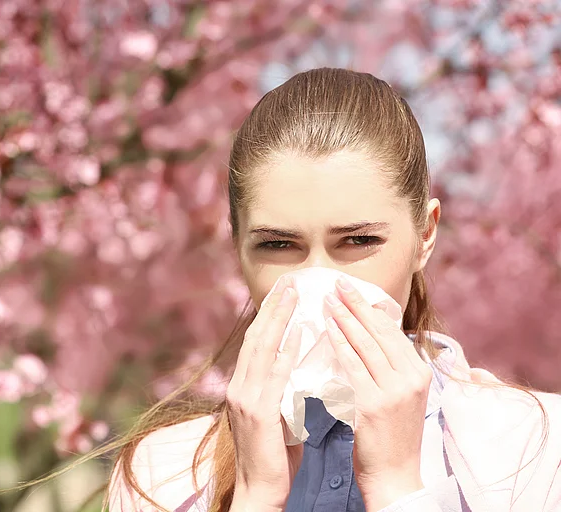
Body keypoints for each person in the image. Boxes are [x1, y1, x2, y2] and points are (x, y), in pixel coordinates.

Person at [104, 68, 561, 511]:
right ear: (237, 248)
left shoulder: (534, 449)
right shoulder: (160, 475)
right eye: (279, 244)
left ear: (425, 235)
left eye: (359, 240)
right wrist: (256, 497)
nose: (319, 282)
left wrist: (397, 488)